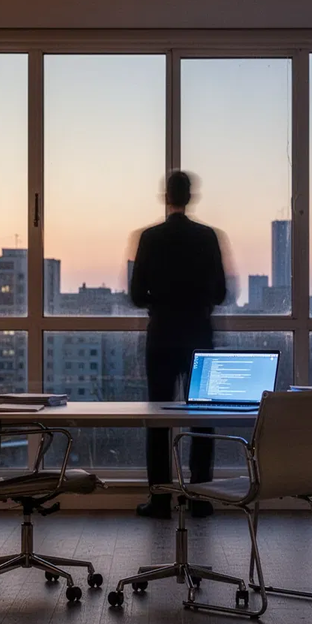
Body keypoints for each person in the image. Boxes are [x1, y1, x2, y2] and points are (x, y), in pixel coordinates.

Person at [129, 170, 227, 519]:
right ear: (190, 196)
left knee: (158, 418)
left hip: (162, 336)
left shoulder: (150, 238)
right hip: (198, 334)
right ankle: (200, 496)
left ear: (166, 197)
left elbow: (136, 294)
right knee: (202, 419)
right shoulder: (208, 237)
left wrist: (160, 300)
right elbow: (221, 292)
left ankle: (159, 499)